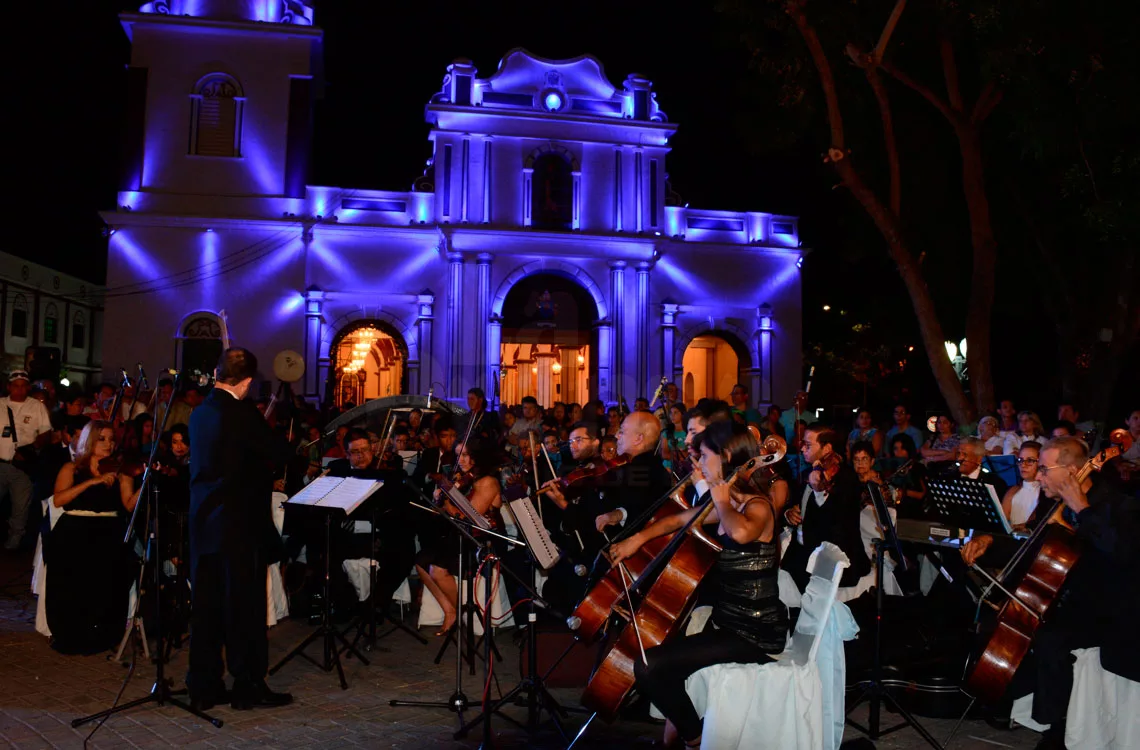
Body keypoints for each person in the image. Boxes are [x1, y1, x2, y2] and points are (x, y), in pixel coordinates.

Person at [610, 421, 789, 750]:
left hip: (756, 633)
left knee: (649, 667)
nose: (699, 463)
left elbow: (740, 533)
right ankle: (687, 733)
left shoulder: (758, 505)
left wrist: (719, 497)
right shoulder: (731, 505)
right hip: (728, 623)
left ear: (726, 456)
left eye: (705, 456)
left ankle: (695, 739)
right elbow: (679, 520)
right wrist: (637, 539)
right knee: (661, 655)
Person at [960, 437, 1139, 749]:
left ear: (1071, 470)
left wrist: (1081, 509)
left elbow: (1121, 553)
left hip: (1108, 608)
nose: (1037, 476)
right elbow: (1031, 547)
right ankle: (1001, 697)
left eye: (1044, 468)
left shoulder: (1115, 503)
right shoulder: (1050, 501)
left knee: (1049, 637)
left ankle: (1059, 727)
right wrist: (990, 543)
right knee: (998, 619)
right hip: (1064, 598)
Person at [187, 348, 293, 711]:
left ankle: (204, 686)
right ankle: (248, 686)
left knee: (206, 609)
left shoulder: (200, 412)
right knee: (245, 610)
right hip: (239, 527)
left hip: (204, 525)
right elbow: (279, 452)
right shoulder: (241, 411)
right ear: (246, 382)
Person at [46, 421, 140, 653]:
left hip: (108, 532)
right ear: (89, 440)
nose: (108, 444)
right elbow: (58, 499)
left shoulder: (120, 469)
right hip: (74, 531)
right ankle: (70, 633)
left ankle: (102, 635)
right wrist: (91, 481)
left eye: (111, 439)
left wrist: (147, 482)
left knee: (106, 584)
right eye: (102, 439)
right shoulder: (72, 468)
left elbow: (128, 505)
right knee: (72, 585)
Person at [415, 437, 502, 635]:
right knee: (421, 561)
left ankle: (465, 612)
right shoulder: (465, 480)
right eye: (457, 456)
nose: (460, 460)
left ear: (476, 456)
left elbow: (469, 519)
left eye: (465, 455)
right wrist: (438, 501)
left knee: (437, 569)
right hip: (461, 537)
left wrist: (446, 503)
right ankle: (450, 610)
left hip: (480, 542)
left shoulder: (488, 482)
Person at [781, 425, 870, 591]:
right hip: (800, 555)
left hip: (828, 560)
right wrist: (788, 513)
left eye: (808, 445)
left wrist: (820, 491)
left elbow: (837, 522)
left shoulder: (847, 478)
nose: (802, 449)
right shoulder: (809, 472)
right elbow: (792, 503)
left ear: (827, 448)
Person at [1, 370, 53, 550]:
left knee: (20, 507)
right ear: (9, 387)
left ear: (28, 388)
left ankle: (13, 544)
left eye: (23, 386)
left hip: (22, 466)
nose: (20, 389)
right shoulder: (0, 404)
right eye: (16, 385)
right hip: (0, 462)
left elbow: (46, 431)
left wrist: (32, 449)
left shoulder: (36, 406)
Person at [1001, 441, 1043, 530]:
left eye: (1030, 460)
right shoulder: (1013, 491)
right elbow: (1003, 522)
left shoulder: (1046, 492)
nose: (1023, 465)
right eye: (1020, 460)